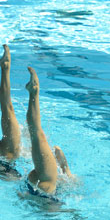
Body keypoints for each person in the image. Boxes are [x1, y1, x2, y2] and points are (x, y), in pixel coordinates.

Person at [24, 65, 72, 199]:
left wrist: (65, 168)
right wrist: (64, 168)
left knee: (37, 134)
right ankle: (33, 93)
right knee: (36, 134)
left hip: (43, 187)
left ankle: (34, 93)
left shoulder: (50, 182)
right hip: (42, 191)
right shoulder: (55, 194)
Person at [0, 44, 22, 162]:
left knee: (8, 108)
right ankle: (5, 68)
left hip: (2, 160)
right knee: (8, 108)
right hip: (3, 160)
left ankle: (5, 68)